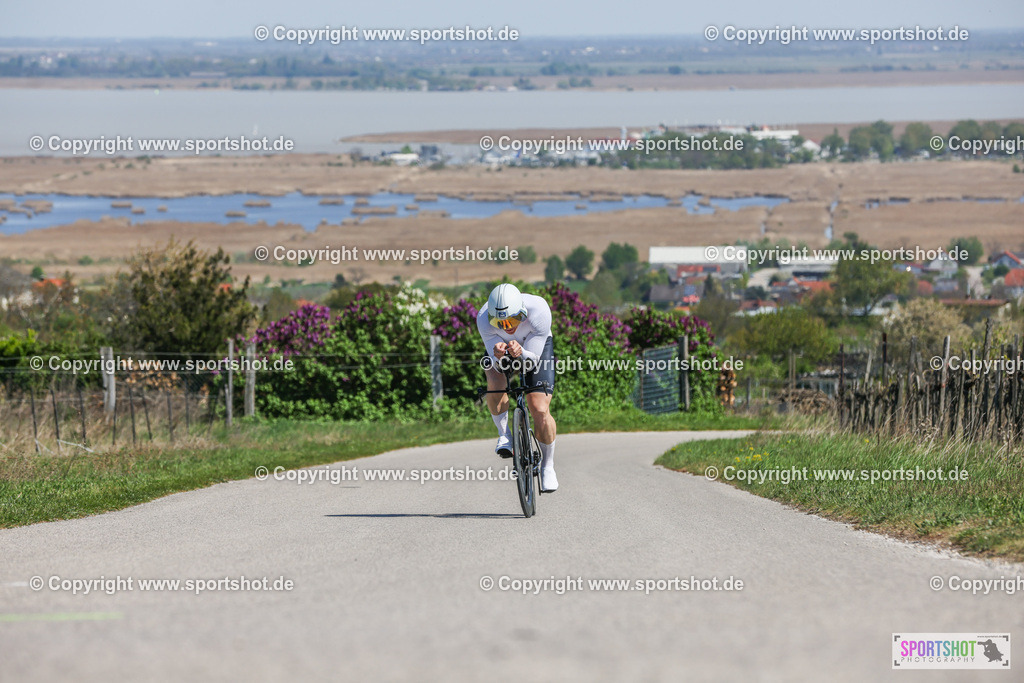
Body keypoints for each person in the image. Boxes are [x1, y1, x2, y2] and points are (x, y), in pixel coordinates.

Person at [476, 283, 558, 492]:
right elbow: (496, 364)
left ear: (522, 311)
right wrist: (497, 355)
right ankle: (504, 435)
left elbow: (531, 362)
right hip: (502, 351)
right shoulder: (483, 318)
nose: (507, 327)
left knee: (539, 407)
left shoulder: (539, 310)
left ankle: (548, 466)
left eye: (513, 320)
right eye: (500, 323)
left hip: (533, 350)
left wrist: (520, 352)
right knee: (494, 381)